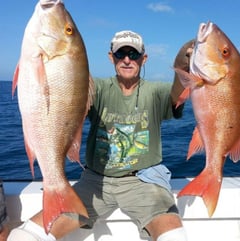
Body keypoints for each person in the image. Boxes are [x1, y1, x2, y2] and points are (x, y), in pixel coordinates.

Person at [8, 30, 193, 241]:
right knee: (22, 236)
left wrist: (184, 59)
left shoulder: (156, 91)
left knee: (175, 236)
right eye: (120, 54)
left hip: (143, 181)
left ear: (144, 58)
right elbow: (64, 88)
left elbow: (178, 92)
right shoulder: (96, 88)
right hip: (95, 182)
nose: (126, 60)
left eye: (133, 54)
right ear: (110, 57)